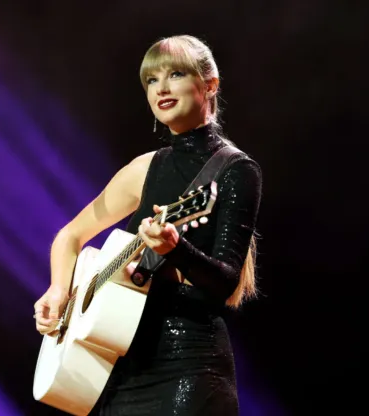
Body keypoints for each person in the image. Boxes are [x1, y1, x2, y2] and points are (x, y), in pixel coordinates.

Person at [34, 34, 262, 415]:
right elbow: (70, 236)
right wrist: (58, 291)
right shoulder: (144, 168)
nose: (161, 88)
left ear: (210, 84)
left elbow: (224, 281)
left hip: (187, 365)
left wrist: (175, 248)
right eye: (151, 80)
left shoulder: (236, 171)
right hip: (118, 370)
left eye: (175, 74)